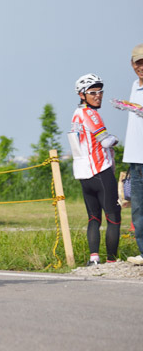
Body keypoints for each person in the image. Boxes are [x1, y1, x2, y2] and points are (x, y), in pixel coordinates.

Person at [70, 74, 121, 266]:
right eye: (93, 92)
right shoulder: (91, 114)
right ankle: (112, 261)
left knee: (93, 217)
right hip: (100, 171)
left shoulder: (76, 114)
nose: (98, 96)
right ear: (82, 95)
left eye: (100, 91)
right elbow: (106, 140)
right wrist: (116, 139)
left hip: (84, 174)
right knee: (113, 216)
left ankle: (94, 258)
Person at [125, 44, 143, 266]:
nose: (142, 66)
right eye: (138, 62)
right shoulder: (133, 86)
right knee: (138, 208)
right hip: (134, 157)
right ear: (132, 64)